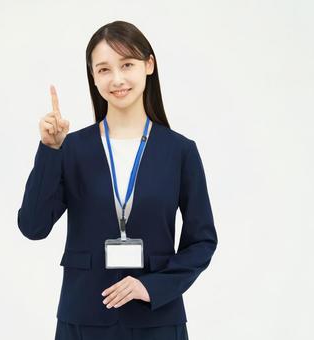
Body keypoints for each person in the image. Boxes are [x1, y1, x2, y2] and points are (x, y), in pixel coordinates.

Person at [17, 20, 218, 340]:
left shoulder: (180, 151)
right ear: (93, 77)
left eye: (127, 64)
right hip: (84, 319)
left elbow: (202, 240)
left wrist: (152, 286)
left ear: (149, 65)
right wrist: (50, 151)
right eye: (104, 69)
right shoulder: (71, 149)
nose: (118, 78)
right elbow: (33, 226)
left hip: (157, 321)